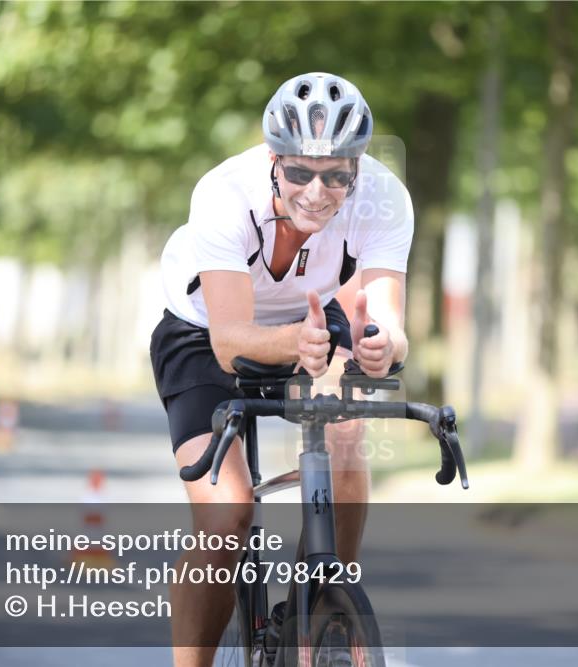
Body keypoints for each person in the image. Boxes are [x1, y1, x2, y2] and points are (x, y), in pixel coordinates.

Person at [150, 72, 413, 667]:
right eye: (299, 172)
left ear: (358, 170)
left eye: (338, 175)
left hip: (313, 316)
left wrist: (381, 346)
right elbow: (230, 342)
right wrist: (304, 342)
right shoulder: (222, 193)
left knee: (346, 433)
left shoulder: (386, 198)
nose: (317, 192)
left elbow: (391, 322)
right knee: (228, 515)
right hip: (204, 327)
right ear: (273, 160)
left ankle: (323, 602)